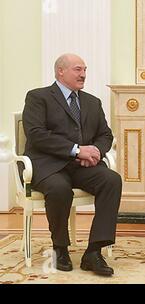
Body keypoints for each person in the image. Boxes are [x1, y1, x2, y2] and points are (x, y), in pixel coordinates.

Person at [22, 53, 122, 276]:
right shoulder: (38, 97)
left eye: (85, 69)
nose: (83, 74)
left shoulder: (92, 102)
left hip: (82, 166)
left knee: (111, 180)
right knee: (59, 189)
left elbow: (105, 134)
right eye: (78, 69)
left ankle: (94, 251)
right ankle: (60, 248)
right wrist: (77, 150)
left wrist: (95, 151)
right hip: (49, 165)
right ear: (60, 71)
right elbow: (37, 135)